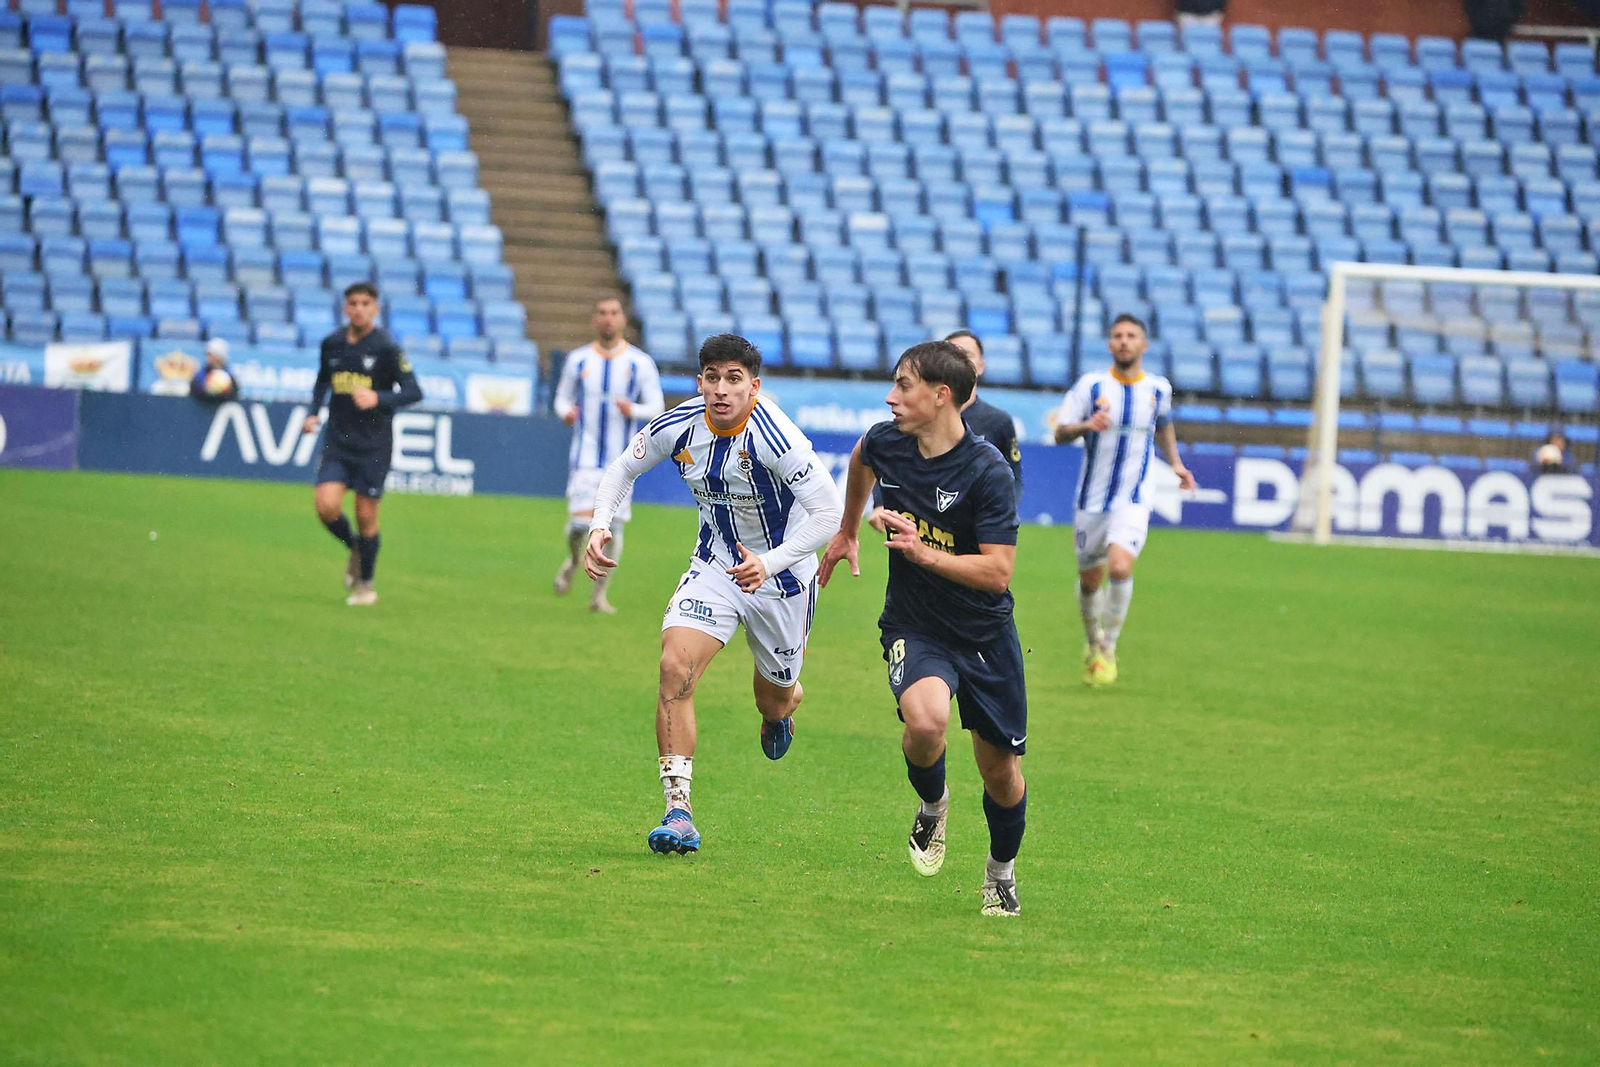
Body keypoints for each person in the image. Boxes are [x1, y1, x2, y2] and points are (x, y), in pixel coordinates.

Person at [584, 334, 843, 856]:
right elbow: (621, 468)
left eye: (734, 379)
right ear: (699, 381)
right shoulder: (678, 424)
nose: (721, 390)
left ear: (754, 386)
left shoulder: (776, 436)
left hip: (782, 577)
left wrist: (768, 563)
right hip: (715, 565)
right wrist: (599, 524)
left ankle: (781, 712)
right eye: (712, 378)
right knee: (673, 667)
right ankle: (678, 811)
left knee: (772, 697)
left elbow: (829, 514)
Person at [819, 340, 1028, 918]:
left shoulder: (987, 470)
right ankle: (934, 804)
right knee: (927, 719)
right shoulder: (888, 439)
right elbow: (862, 457)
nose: (891, 396)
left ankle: (1000, 872)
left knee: (1002, 775)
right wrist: (848, 530)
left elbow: (998, 571)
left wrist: (922, 552)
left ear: (941, 397)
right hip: (915, 623)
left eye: (903, 385)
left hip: (984, 636)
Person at [1053, 314, 1195, 686]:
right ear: (1109, 344)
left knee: (1119, 568)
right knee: (1089, 581)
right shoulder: (1091, 385)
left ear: (1143, 345)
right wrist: (1087, 426)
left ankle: (1109, 648)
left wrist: (1177, 465)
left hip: (1133, 498)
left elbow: (1163, 426)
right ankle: (1092, 641)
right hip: (1090, 501)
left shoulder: (1158, 389)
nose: (1124, 341)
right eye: (1117, 335)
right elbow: (1060, 434)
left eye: (1131, 336)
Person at [301, 282, 423, 607]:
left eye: (365, 303)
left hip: (374, 445)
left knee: (365, 515)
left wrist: (378, 397)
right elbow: (321, 382)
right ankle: (355, 547)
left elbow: (413, 391)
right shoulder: (332, 344)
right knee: (326, 506)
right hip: (338, 442)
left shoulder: (386, 348)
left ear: (375, 309)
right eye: (353, 302)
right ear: (345, 307)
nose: (358, 308)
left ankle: (366, 586)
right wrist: (313, 413)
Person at [553, 296, 664, 614]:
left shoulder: (639, 363)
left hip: (623, 461)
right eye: (601, 313)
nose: (607, 319)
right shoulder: (578, 360)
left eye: (614, 313)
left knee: (614, 529)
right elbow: (561, 398)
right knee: (578, 526)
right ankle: (574, 560)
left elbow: (655, 406)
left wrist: (635, 409)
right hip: (585, 458)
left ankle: (599, 595)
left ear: (623, 320)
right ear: (594, 319)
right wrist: (565, 413)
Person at [868, 329, 1022, 531]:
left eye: (966, 355)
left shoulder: (998, 421)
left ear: (981, 365)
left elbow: (1013, 476)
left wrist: (998, 512)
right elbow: (887, 458)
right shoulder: (915, 419)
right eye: (953, 353)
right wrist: (880, 504)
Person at [188, 338, 239, 403]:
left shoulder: (229, 376)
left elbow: (234, 395)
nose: (208, 358)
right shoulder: (201, 374)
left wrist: (221, 393)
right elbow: (194, 391)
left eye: (211, 355)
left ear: (219, 356)